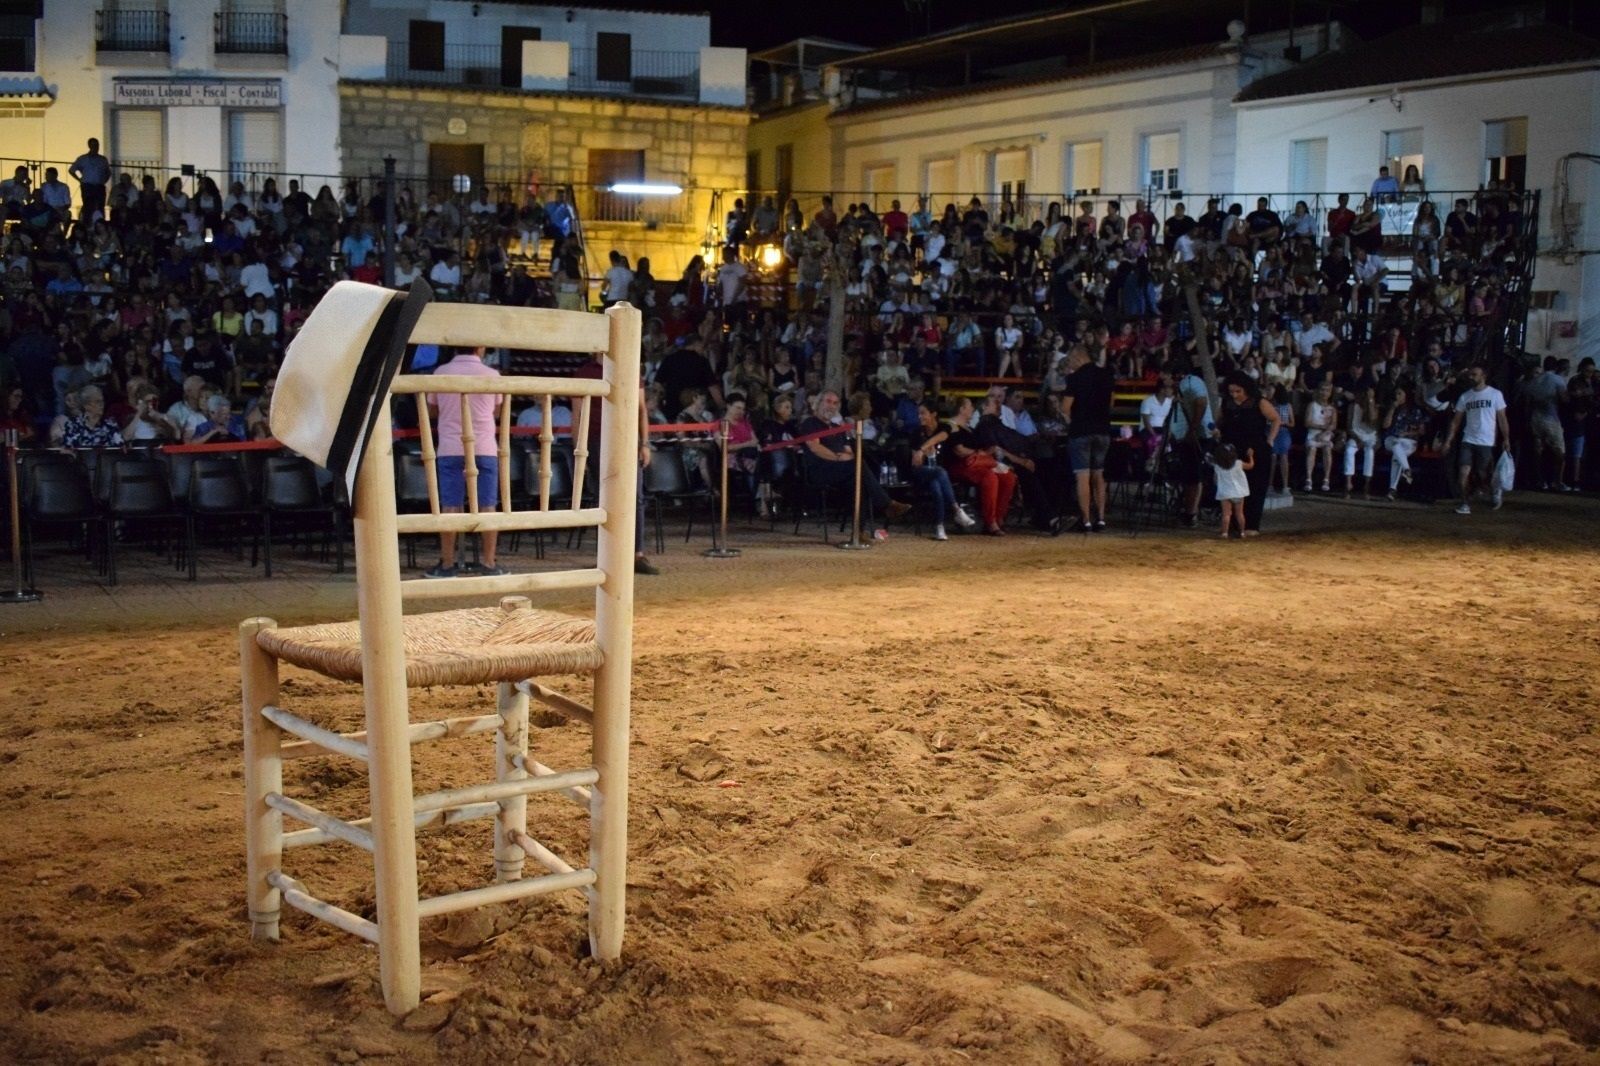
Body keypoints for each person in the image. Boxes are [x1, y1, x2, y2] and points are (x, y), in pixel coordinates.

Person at [424, 346, 505, 577]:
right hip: (484, 446)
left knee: (450, 504)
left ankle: (448, 564)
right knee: (488, 504)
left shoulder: (440, 372)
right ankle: (489, 563)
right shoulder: (492, 375)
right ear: (480, 348)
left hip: (451, 445)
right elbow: (497, 412)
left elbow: (432, 409)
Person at [797, 390, 909, 539]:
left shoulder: (838, 427)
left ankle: (858, 532)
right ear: (818, 404)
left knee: (860, 480)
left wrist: (846, 458)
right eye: (828, 401)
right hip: (820, 470)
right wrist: (837, 458)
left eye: (835, 403)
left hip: (842, 470)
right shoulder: (810, 423)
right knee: (858, 466)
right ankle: (886, 504)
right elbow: (815, 447)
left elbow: (849, 452)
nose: (831, 406)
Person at [939, 396, 1014, 536]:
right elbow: (959, 451)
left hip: (976, 464)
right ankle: (990, 522)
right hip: (959, 465)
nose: (973, 409)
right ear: (962, 409)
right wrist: (978, 453)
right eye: (969, 406)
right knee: (989, 477)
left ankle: (998, 517)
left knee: (1008, 477)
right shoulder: (952, 426)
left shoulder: (970, 429)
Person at [1442, 364, 1510, 514]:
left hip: (1486, 441)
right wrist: (1449, 440)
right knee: (1463, 473)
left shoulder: (1495, 394)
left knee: (1482, 473)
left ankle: (1493, 490)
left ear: (1483, 376)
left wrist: (1506, 439)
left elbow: (1502, 418)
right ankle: (1465, 503)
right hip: (1469, 439)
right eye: (1470, 375)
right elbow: (1456, 421)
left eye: (1474, 375)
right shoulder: (1466, 396)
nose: (1471, 377)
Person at [1218, 373, 1280, 535]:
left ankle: (1251, 524)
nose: (1234, 395)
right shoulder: (1227, 403)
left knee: (1255, 487)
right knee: (1232, 487)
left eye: (1238, 391)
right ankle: (1233, 525)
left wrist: (1270, 439)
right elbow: (1220, 421)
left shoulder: (1259, 402)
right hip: (1232, 450)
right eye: (1231, 391)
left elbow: (1275, 419)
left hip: (1255, 448)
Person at [1060, 344, 1113, 531]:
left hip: (1081, 430)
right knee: (1099, 474)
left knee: (1082, 475)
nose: (1071, 362)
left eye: (1072, 359)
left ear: (1079, 357)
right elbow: (1111, 402)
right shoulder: (1106, 375)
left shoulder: (1074, 378)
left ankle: (1086, 520)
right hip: (1102, 429)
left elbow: (1065, 408)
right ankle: (1101, 518)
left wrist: (1069, 419)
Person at [910, 399, 977, 540]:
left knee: (936, 484)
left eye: (923, 413)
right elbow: (915, 462)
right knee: (940, 472)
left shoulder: (944, 427)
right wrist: (924, 455)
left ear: (933, 414)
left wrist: (923, 449)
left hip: (938, 475)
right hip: (921, 472)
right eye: (919, 414)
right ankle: (957, 510)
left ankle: (939, 528)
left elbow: (943, 436)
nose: (920, 416)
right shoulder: (917, 432)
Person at [1521, 357, 1570, 491]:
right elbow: (1565, 399)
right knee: (1559, 451)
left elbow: (1527, 401)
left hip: (1535, 418)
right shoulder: (1557, 380)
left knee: (1538, 451)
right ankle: (1557, 481)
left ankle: (1540, 480)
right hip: (1551, 419)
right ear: (1555, 367)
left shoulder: (1535, 380)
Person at [1382, 386, 1428, 500]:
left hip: (1409, 441)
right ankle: (1407, 470)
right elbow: (1385, 426)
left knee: (1396, 457)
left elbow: (1421, 431)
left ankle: (1392, 490)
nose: (1396, 396)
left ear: (1405, 395)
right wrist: (1392, 409)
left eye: (1399, 393)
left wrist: (1406, 433)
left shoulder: (1414, 410)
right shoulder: (1392, 408)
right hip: (1391, 439)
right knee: (1395, 444)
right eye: (1395, 394)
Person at [1342, 385, 1380, 498]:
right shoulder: (1352, 407)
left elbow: (1373, 423)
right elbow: (1349, 426)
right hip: (1356, 436)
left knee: (1369, 452)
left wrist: (1370, 402)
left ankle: (1366, 485)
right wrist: (1357, 439)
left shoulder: (1374, 407)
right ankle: (1348, 483)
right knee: (1349, 450)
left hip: (1370, 437)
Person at [1302, 380, 1338, 493]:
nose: (1324, 393)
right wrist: (1321, 427)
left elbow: (1333, 425)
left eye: (1327, 391)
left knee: (1327, 449)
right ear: (1318, 391)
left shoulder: (1332, 408)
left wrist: (1323, 432)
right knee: (1312, 449)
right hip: (1313, 433)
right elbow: (1307, 422)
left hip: (1325, 435)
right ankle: (1308, 479)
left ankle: (1326, 479)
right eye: (1322, 390)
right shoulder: (1312, 405)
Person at [1211, 442, 1252, 539]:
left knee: (1226, 514)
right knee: (1239, 514)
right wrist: (1251, 456)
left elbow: (1215, 480)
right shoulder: (1238, 463)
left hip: (1225, 493)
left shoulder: (1217, 467)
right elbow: (1250, 465)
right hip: (1239, 492)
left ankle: (1224, 533)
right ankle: (1242, 532)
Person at [69, 138, 110, 222]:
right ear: (89, 146)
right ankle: (86, 224)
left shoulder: (102, 159)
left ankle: (100, 225)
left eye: (97, 145)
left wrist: (103, 181)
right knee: (88, 207)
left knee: (100, 207)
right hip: (87, 186)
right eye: (93, 145)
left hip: (99, 186)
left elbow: (108, 172)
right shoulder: (82, 159)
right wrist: (79, 180)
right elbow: (72, 170)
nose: (95, 147)